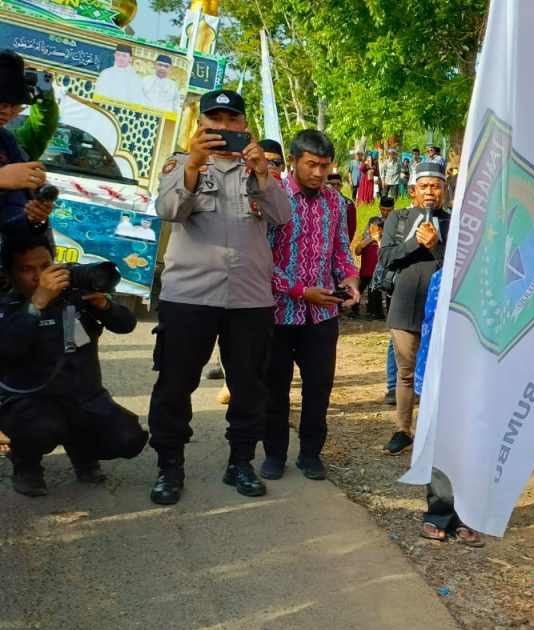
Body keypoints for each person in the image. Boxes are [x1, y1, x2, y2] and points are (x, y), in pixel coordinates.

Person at [147, 89, 291, 506]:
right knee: (175, 384)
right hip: (189, 296)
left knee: (250, 386)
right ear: (201, 126)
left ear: (245, 126)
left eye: (233, 121)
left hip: (249, 298)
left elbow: (283, 218)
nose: (225, 129)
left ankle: (240, 462)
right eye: (216, 121)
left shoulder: (260, 171)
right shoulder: (180, 164)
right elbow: (169, 210)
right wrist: (193, 164)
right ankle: (169, 467)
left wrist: (263, 173)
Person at [0, 235, 147, 496]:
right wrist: (37, 304)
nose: (39, 277)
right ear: (10, 275)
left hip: (85, 398)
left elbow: (126, 325)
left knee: (128, 438)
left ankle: (82, 449)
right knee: (40, 429)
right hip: (31, 403)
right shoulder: (8, 306)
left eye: (45, 266)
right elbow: (6, 346)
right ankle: (26, 464)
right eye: (27, 270)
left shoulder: (75, 295)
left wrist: (104, 305)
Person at [261, 129, 360, 482]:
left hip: (323, 314)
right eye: (311, 165)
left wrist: (350, 280)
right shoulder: (272, 198)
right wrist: (302, 292)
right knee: (275, 386)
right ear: (293, 161)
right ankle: (274, 454)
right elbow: (262, 263)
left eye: (324, 165)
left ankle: (310, 453)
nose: (319, 173)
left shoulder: (336, 202)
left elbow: (341, 253)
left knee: (319, 386)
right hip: (278, 312)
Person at [379, 162, 449, 456]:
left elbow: (462, 265)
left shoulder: (454, 222)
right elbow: (385, 258)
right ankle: (403, 430)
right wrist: (413, 243)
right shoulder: (399, 218)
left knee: (440, 373)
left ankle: (437, 432)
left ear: (444, 190)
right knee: (406, 372)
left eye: (436, 186)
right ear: (413, 190)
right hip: (405, 304)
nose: (430, 192)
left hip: (441, 308)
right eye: (424, 186)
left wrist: (435, 245)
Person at [0, 51, 55, 245]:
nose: (6, 110)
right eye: (1, 102)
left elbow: (11, 220)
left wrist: (33, 219)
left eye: (13, 104)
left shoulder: (7, 142)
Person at [352, 205, 389, 321]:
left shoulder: (384, 241)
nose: (374, 233)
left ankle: (374, 312)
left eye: (377, 230)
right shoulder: (366, 241)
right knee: (358, 290)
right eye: (372, 230)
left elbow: (384, 253)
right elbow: (357, 252)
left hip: (377, 273)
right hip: (365, 272)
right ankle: (354, 310)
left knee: (375, 293)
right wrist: (364, 243)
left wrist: (378, 240)